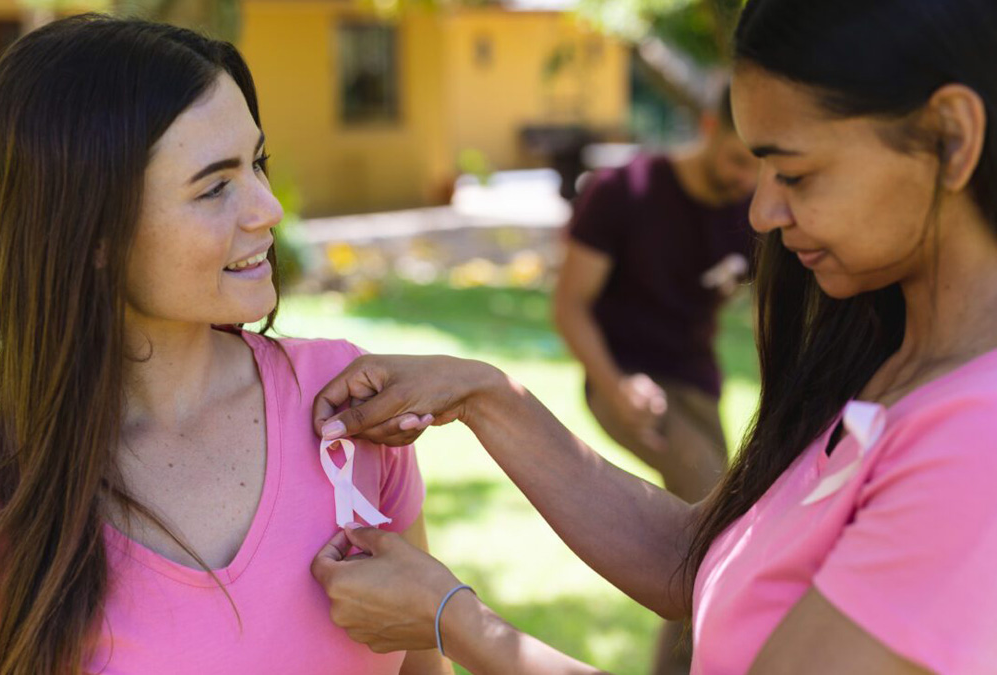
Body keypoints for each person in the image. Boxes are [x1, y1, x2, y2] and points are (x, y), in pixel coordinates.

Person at [309, 0, 997, 672]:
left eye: (795, 173)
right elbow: (696, 556)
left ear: (952, 136)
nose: (761, 212)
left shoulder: (975, 442)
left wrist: (453, 621)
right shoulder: (882, 357)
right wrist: (483, 394)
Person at [0, 15, 448, 675]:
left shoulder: (347, 405)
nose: (268, 209)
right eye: (215, 186)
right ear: (90, 232)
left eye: (257, 162)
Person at [555, 88, 759, 675]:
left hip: (695, 385)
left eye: (760, 165)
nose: (747, 177)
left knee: (724, 526)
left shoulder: (751, 206)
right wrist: (615, 383)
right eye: (738, 157)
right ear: (708, 124)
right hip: (620, 377)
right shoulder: (625, 193)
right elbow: (570, 307)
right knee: (717, 533)